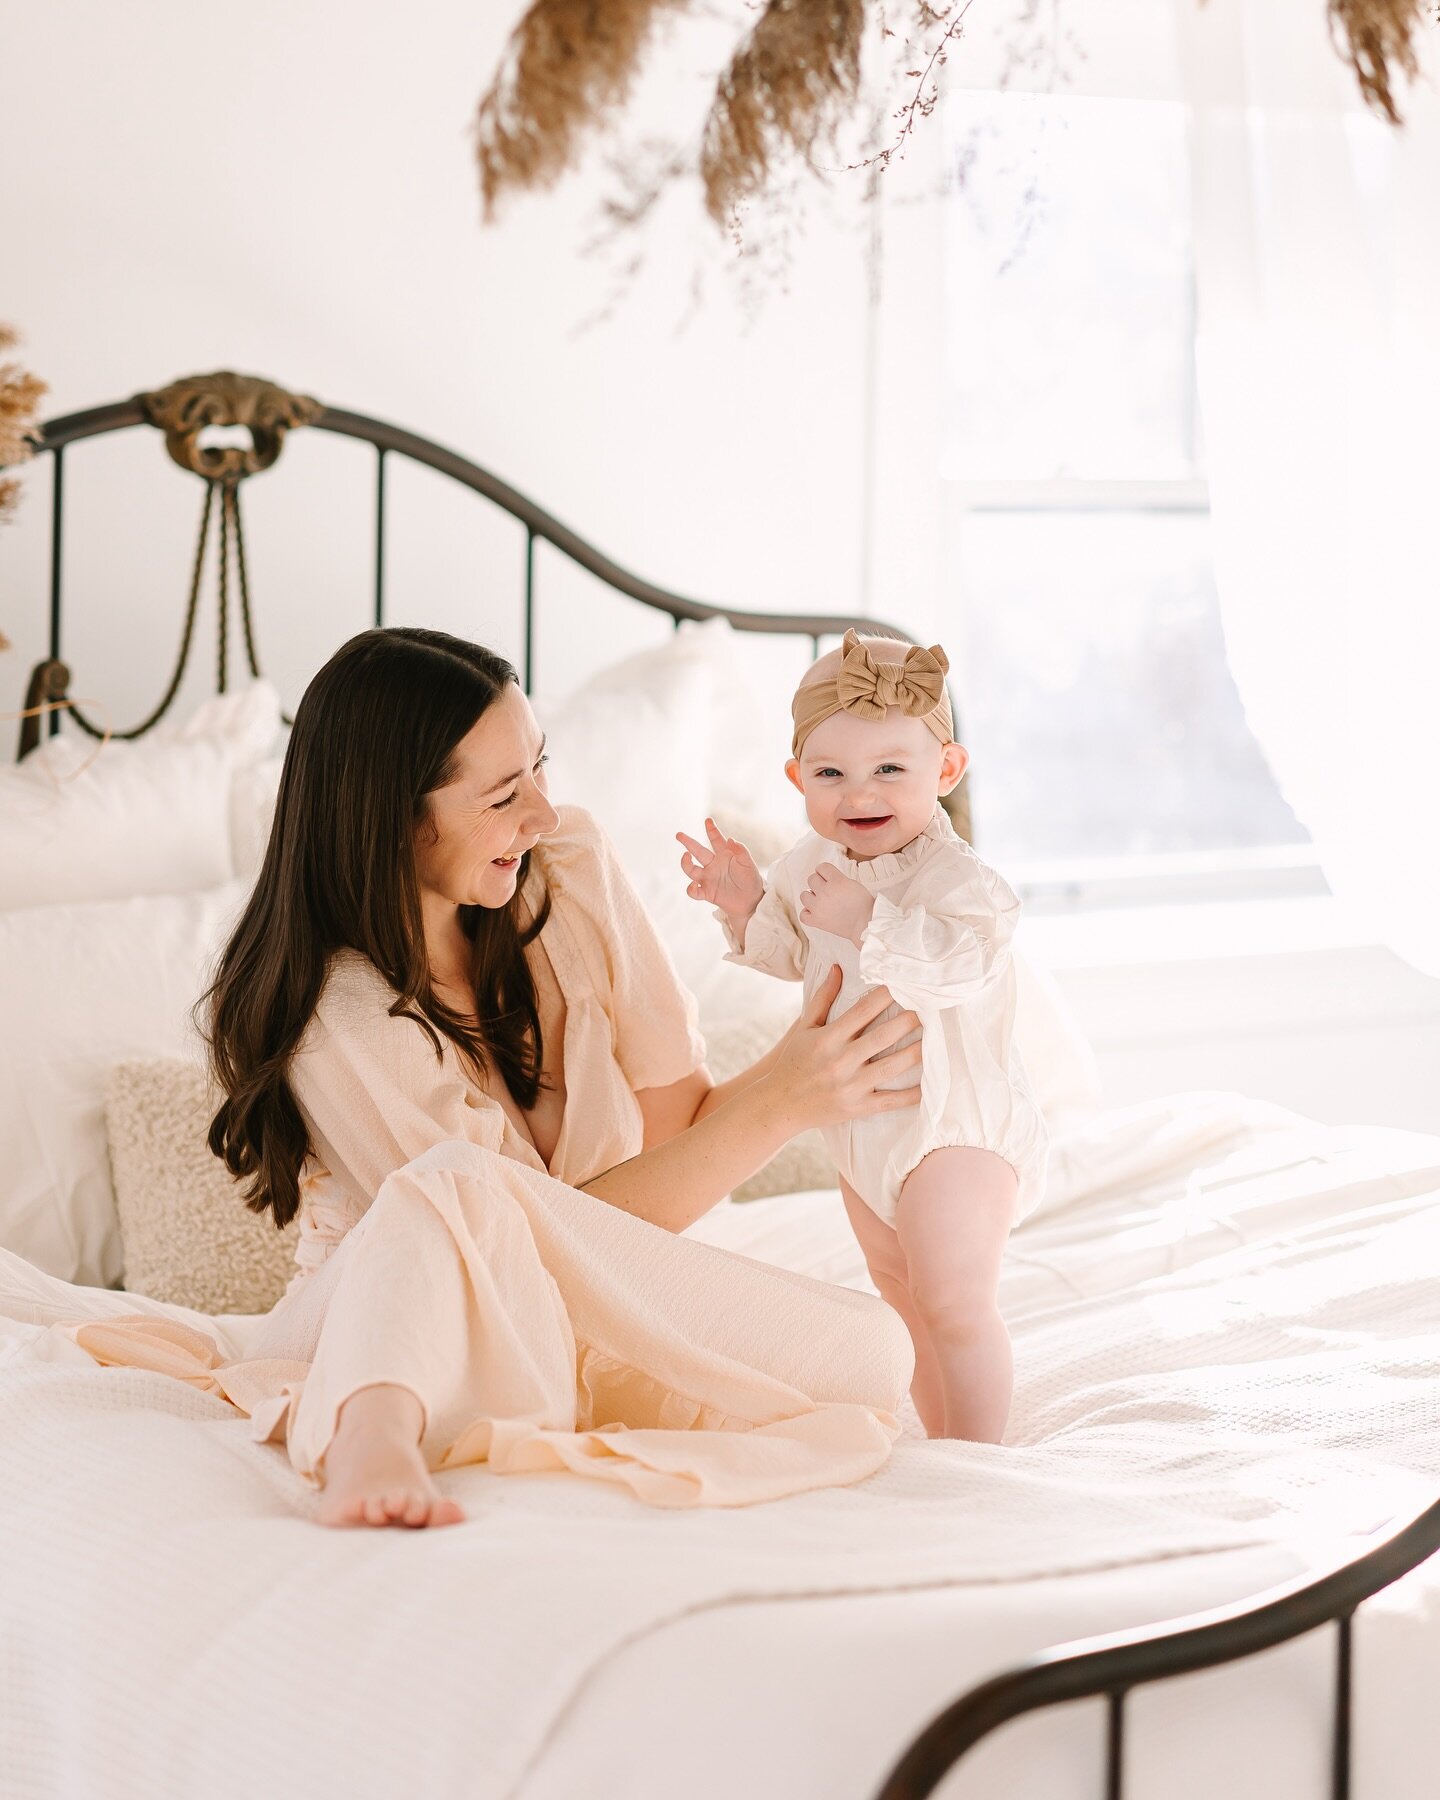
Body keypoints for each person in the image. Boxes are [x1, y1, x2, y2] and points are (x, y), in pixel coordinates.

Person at [77, 627, 924, 1529]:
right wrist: (781, 1102)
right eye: (502, 795)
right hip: (400, 1320)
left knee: (874, 1353)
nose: (543, 815)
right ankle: (372, 1430)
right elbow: (512, 1244)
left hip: (584, 1313)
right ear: (396, 815)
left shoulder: (566, 868)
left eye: (540, 769)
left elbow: (677, 1130)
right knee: (454, 1184)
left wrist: (803, 1074)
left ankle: (500, 1406)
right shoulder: (338, 1008)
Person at [677, 630, 1047, 1444]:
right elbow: (798, 957)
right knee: (901, 1294)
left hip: (953, 1125)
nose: (859, 793)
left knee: (952, 1296)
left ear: (946, 771)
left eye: (890, 768)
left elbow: (964, 966)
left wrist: (867, 916)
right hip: (864, 1130)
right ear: (797, 780)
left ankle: (984, 1457)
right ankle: (945, 1441)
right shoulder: (812, 861)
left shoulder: (961, 882)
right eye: (831, 773)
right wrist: (744, 906)